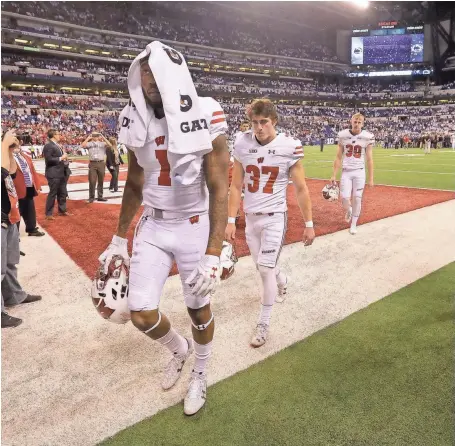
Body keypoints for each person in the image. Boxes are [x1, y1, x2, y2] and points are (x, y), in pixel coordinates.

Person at [98, 46, 229, 415]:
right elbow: (135, 182)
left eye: (157, 73)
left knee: (198, 309)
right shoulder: (134, 116)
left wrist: (214, 251)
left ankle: (200, 373)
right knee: (139, 312)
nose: (150, 81)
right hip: (153, 224)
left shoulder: (205, 111)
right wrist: (118, 239)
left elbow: (220, 185)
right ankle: (179, 349)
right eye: (145, 73)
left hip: (192, 223)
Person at [225, 99, 315, 348]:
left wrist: (309, 223)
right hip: (252, 218)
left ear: (273, 121)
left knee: (265, 269)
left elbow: (301, 188)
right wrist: (231, 219)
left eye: (264, 122)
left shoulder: (289, 146)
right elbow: (235, 186)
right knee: (265, 268)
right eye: (255, 122)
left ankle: (263, 324)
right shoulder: (242, 143)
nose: (259, 127)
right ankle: (282, 281)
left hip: (275, 216)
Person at [1, 130, 42, 328]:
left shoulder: (4, 153)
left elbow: (10, 172)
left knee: (9, 262)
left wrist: (9, 150)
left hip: (8, 215)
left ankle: (13, 296)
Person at [330, 113, 374, 235]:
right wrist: (334, 174)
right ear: (351, 121)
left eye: (359, 122)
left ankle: (353, 224)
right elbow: (338, 157)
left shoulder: (367, 136)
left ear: (363, 124)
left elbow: (369, 159)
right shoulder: (343, 135)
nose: (357, 124)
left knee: (357, 198)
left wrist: (371, 178)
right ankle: (349, 209)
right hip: (346, 171)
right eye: (355, 121)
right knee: (344, 198)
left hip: (359, 171)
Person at [13, 146, 45, 236]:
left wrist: (37, 185)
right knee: (17, 210)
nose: (17, 146)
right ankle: (14, 235)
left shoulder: (25, 156)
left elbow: (32, 171)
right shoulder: (7, 157)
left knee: (30, 209)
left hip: (29, 186)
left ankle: (32, 229)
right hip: (16, 188)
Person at [43, 129, 72, 220]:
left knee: (62, 193)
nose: (60, 135)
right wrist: (61, 158)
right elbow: (49, 160)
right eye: (58, 133)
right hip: (54, 173)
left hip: (61, 172)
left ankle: (62, 210)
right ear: (53, 135)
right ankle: (48, 214)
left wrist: (64, 160)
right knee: (53, 193)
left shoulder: (56, 145)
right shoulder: (48, 146)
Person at [81, 132, 112, 203]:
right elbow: (82, 145)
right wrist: (88, 138)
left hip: (101, 163)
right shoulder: (89, 143)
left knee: (101, 181)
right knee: (92, 181)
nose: (95, 137)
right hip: (92, 163)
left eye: (97, 135)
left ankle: (100, 196)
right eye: (94, 135)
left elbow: (110, 145)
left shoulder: (102, 143)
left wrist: (103, 136)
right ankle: (91, 197)